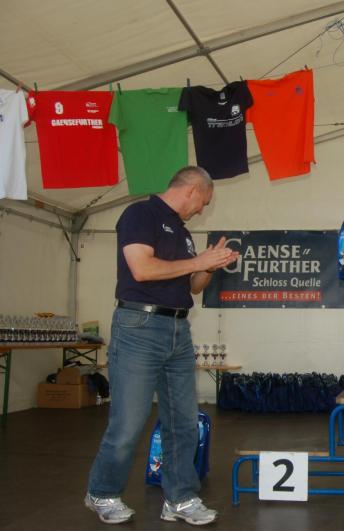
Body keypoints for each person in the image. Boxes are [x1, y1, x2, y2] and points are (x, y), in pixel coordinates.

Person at [85, 166, 239, 525]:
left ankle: (180, 498)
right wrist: (198, 261)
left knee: (183, 422)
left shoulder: (182, 233)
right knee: (129, 422)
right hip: (139, 327)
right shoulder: (141, 214)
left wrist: (210, 265)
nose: (202, 209)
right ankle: (102, 492)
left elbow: (193, 286)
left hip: (177, 330)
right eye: (204, 202)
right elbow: (142, 269)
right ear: (192, 190)